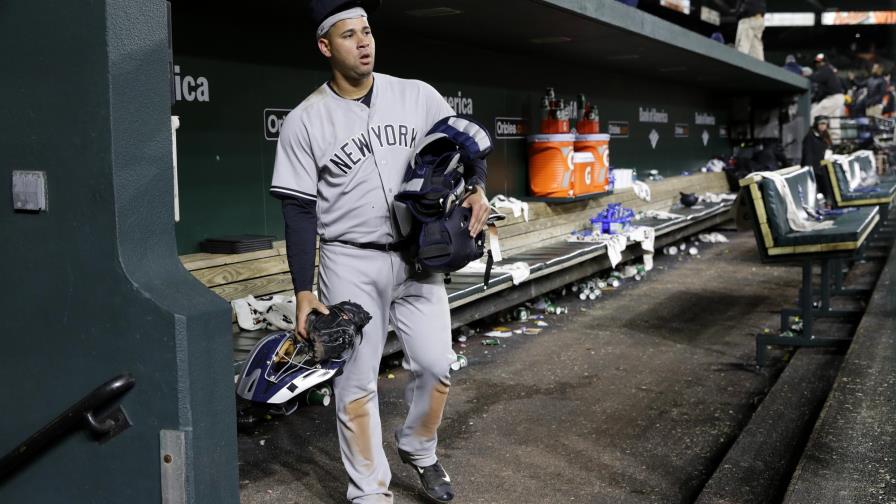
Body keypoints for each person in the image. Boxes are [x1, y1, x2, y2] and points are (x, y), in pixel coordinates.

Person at [269, 1, 490, 502]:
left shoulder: (416, 95)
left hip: (419, 253)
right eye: (349, 35)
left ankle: (419, 447)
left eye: (367, 31)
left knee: (436, 364)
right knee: (355, 384)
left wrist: (476, 188)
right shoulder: (305, 121)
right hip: (351, 261)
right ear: (326, 46)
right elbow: (299, 213)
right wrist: (303, 292)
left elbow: (464, 146)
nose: (364, 42)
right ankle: (369, 490)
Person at [801, 115, 834, 206]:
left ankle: (828, 203)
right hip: (815, 169)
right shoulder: (810, 137)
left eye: (825, 124)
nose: (823, 126)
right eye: (821, 124)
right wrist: (809, 168)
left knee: (827, 187)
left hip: (824, 167)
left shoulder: (825, 136)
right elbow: (807, 154)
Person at [810, 54, 845, 121]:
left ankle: (811, 131)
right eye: (816, 62)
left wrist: (808, 76)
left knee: (813, 115)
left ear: (824, 62)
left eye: (819, 62)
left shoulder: (827, 69)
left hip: (833, 98)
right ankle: (833, 132)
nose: (817, 64)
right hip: (837, 98)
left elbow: (817, 78)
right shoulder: (830, 69)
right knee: (833, 122)